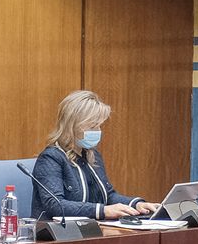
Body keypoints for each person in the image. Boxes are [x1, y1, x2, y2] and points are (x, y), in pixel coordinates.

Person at [28, 90, 159, 221]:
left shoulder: (92, 155)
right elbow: (55, 205)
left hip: (91, 230)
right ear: (72, 125)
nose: (98, 132)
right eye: (92, 127)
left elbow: (108, 196)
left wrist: (136, 204)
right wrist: (102, 211)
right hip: (58, 235)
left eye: (99, 126)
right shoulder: (51, 158)